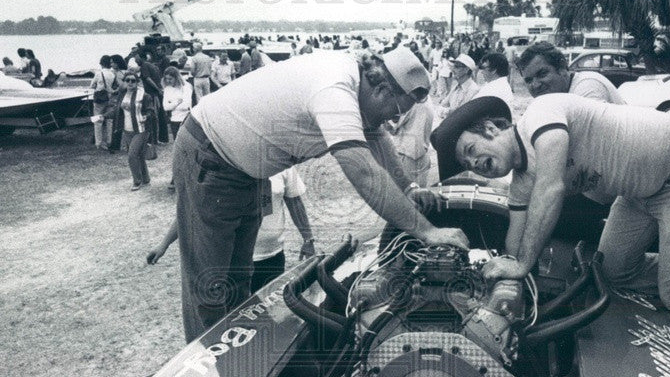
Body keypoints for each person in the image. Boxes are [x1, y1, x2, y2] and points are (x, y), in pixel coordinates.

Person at [434, 92, 670, 377]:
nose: (474, 164)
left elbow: (551, 190)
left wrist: (521, 265)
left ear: (491, 128)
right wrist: (503, 267)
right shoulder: (521, 180)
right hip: (638, 193)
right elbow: (516, 233)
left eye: (471, 150)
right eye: (467, 164)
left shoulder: (541, 119)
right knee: (609, 274)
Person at [164, 46, 467, 340]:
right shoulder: (335, 88)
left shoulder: (361, 88)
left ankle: (236, 362)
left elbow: (377, 137)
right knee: (210, 285)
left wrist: (409, 188)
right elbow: (363, 171)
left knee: (238, 280)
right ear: (381, 90)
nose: (391, 121)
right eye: (395, 112)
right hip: (210, 155)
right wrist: (427, 231)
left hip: (245, 169)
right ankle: (208, 369)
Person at [148, 168, 316, 293]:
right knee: (234, 314)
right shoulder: (224, 166)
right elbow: (193, 210)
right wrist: (164, 244)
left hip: (271, 256)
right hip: (232, 260)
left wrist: (308, 239)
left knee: (268, 312)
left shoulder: (282, 165)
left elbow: (295, 203)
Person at [517, 41, 625, 103]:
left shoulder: (587, 87)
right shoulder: (555, 97)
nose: (535, 85)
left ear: (562, 67)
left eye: (542, 74)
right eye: (529, 80)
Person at [105, 71, 156, 190]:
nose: (130, 82)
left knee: (132, 155)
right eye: (127, 80)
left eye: (133, 80)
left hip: (141, 129)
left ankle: (137, 181)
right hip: (126, 130)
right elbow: (116, 111)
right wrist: (104, 116)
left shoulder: (144, 95)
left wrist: (146, 116)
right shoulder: (122, 95)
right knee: (138, 155)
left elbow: (151, 111)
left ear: (137, 82)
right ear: (124, 82)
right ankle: (146, 179)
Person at [162, 67, 191, 189]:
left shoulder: (186, 87)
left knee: (188, 149)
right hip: (174, 121)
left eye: (171, 79)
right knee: (178, 150)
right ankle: (176, 177)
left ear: (176, 77)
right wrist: (177, 102)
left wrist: (173, 104)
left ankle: (187, 176)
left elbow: (187, 105)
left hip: (186, 120)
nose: (169, 81)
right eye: (166, 79)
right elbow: (165, 107)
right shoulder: (167, 88)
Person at [90, 55, 116, 150]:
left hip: (100, 99)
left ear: (101, 63)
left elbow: (92, 85)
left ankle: (99, 143)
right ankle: (109, 141)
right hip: (110, 98)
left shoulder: (98, 73)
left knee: (98, 121)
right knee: (109, 120)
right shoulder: (113, 73)